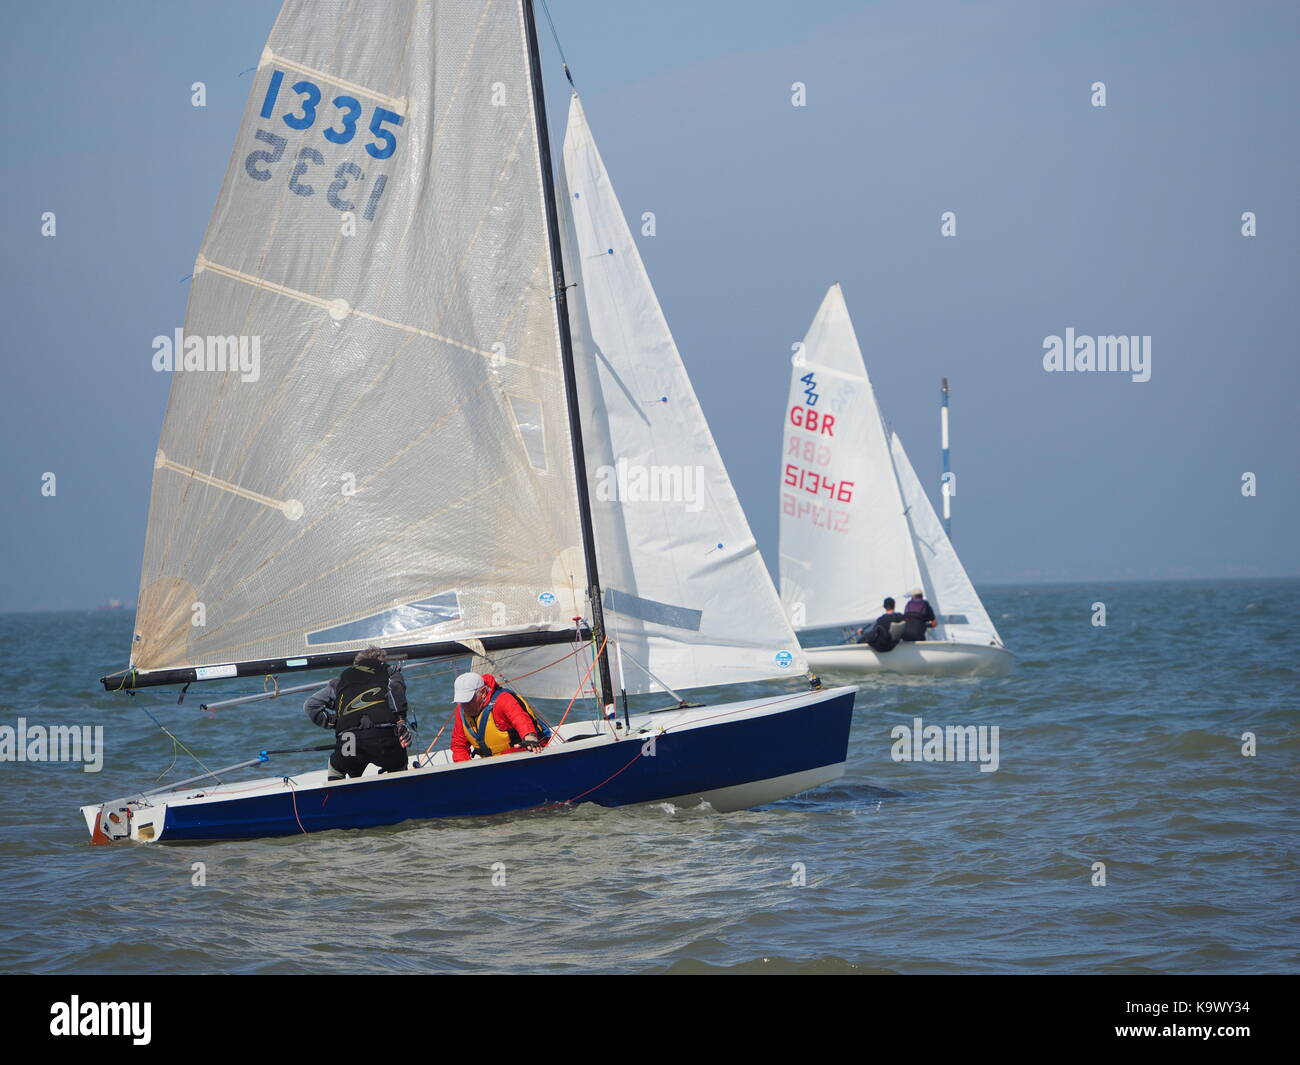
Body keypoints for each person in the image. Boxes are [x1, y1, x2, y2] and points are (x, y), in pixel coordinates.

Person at [304, 646, 412, 779]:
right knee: (398, 763)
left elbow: (311, 706)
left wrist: (336, 722)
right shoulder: (389, 671)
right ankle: (400, 790)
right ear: (381, 661)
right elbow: (395, 691)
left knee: (337, 767)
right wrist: (401, 721)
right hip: (384, 739)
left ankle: (337, 795)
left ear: (356, 663)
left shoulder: (341, 681)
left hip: (349, 740)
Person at [450, 672, 547, 762]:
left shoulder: (503, 700)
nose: (465, 706)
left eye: (468, 700)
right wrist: (467, 772)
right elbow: (459, 745)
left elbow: (520, 719)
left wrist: (530, 738)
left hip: (520, 758)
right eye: (461, 701)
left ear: (483, 692)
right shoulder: (462, 709)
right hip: (492, 765)